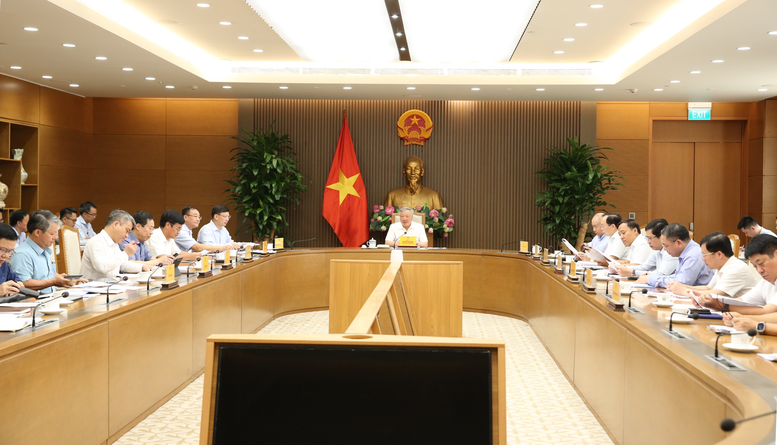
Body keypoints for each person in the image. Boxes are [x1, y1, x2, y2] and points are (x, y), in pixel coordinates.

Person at [668, 231, 760, 300]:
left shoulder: (736, 269)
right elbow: (708, 288)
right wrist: (682, 286)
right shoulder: (723, 266)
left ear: (719, 254)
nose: (703, 259)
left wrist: (683, 291)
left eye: (705, 255)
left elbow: (713, 295)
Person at [10, 210, 83, 294]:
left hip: (51, 297)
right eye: (52, 234)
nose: (55, 237)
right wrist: (53, 282)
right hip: (35, 300)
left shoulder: (45, 249)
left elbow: (46, 275)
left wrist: (65, 280)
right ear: (37, 232)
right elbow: (23, 284)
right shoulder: (22, 254)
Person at [718, 235, 777, 333]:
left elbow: (768, 311)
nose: (759, 270)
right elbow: (742, 302)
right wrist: (734, 316)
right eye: (755, 266)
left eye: (761, 263)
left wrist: (751, 322)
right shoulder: (767, 281)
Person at [80, 209, 151, 280]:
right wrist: (126, 254)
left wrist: (142, 267)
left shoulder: (114, 243)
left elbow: (123, 265)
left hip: (111, 284)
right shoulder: (96, 241)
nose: (127, 236)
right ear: (115, 224)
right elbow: (102, 267)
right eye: (127, 231)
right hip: (93, 285)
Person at [646, 223, 713, 288]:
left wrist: (651, 279)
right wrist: (653, 277)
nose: (664, 249)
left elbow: (681, 283)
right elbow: (677, 277)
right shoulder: (685, 251)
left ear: (679, 243)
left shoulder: (693, 255)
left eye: (665, 245)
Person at [0, 223, 24, 297]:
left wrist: (15, 286)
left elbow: (21, 284)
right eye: (3, 250)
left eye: (10, 251)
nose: (6, 256)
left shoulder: (3, 264)